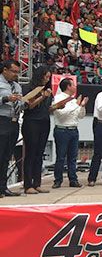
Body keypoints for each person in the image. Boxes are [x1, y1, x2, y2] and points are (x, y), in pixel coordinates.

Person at [22, 66, 53, 194]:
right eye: (46, 76)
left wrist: (57, 106)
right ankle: (28, 184)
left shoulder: (48, 90)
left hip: (44, 121)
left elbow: (48, 108)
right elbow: (28, 106)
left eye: (49, 77)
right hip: (31, 122)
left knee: (39, 153)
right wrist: (42, 97)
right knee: (31, 153)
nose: (47, 79)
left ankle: (37, 183)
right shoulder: (29, 88)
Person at [52, 78, 87, 189]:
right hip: (62, 129)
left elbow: (81, 116)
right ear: (68, 86)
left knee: (73, 157)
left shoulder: (73, 100)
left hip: (73, 130)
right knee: (61, 157)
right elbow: (62, 115)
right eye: (73, 85)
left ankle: (73, 179)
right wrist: (77, 105)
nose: (75, 87)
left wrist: (82, 106)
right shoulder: (58, 98)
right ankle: (58, 180)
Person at [0, 60, 24, 197]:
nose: (16, 74)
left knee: (7, 156)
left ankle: (3, 187)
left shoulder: (16, 86)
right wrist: (6, 98)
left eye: (17, 72)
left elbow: (19, 104)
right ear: (5, 70)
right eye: (13, 71)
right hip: (2, 119)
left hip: (14, 121)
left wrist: (25, 103)